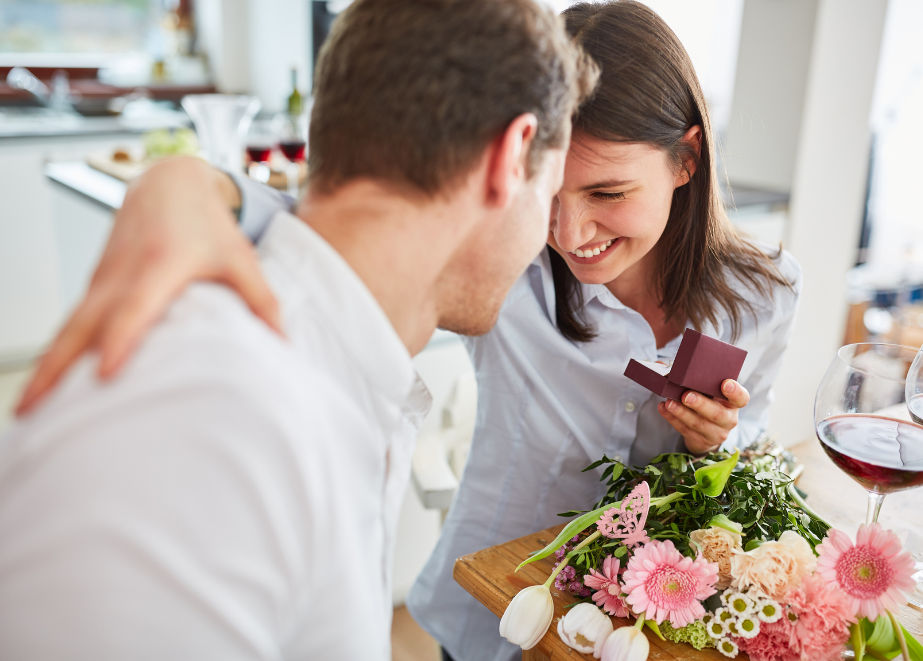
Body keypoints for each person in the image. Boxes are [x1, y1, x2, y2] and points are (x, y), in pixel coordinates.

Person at [15, 2, 799, 661]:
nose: (561, 231)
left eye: (604, 192)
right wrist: (178, 182)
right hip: (481, 609)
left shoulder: (342, 372)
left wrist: (179, 183)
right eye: (552, 191)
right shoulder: (231, 418)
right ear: (514, 159)